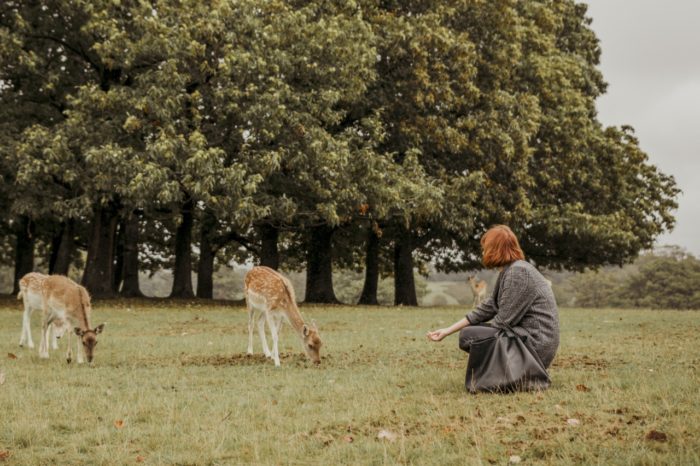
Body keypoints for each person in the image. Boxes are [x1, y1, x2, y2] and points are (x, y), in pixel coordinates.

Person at [426, 225, 559, 369]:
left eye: (485, 247)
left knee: (470, 336)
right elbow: (488, 307)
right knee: (471, 333)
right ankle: (501, 371)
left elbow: (503, 321)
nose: (483, 251)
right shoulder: (510, 270)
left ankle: (513, 373)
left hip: (536, 346)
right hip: (528, 340)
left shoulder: (518, 273)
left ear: (495, 249)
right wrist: (447, 330)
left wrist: (481, 337)